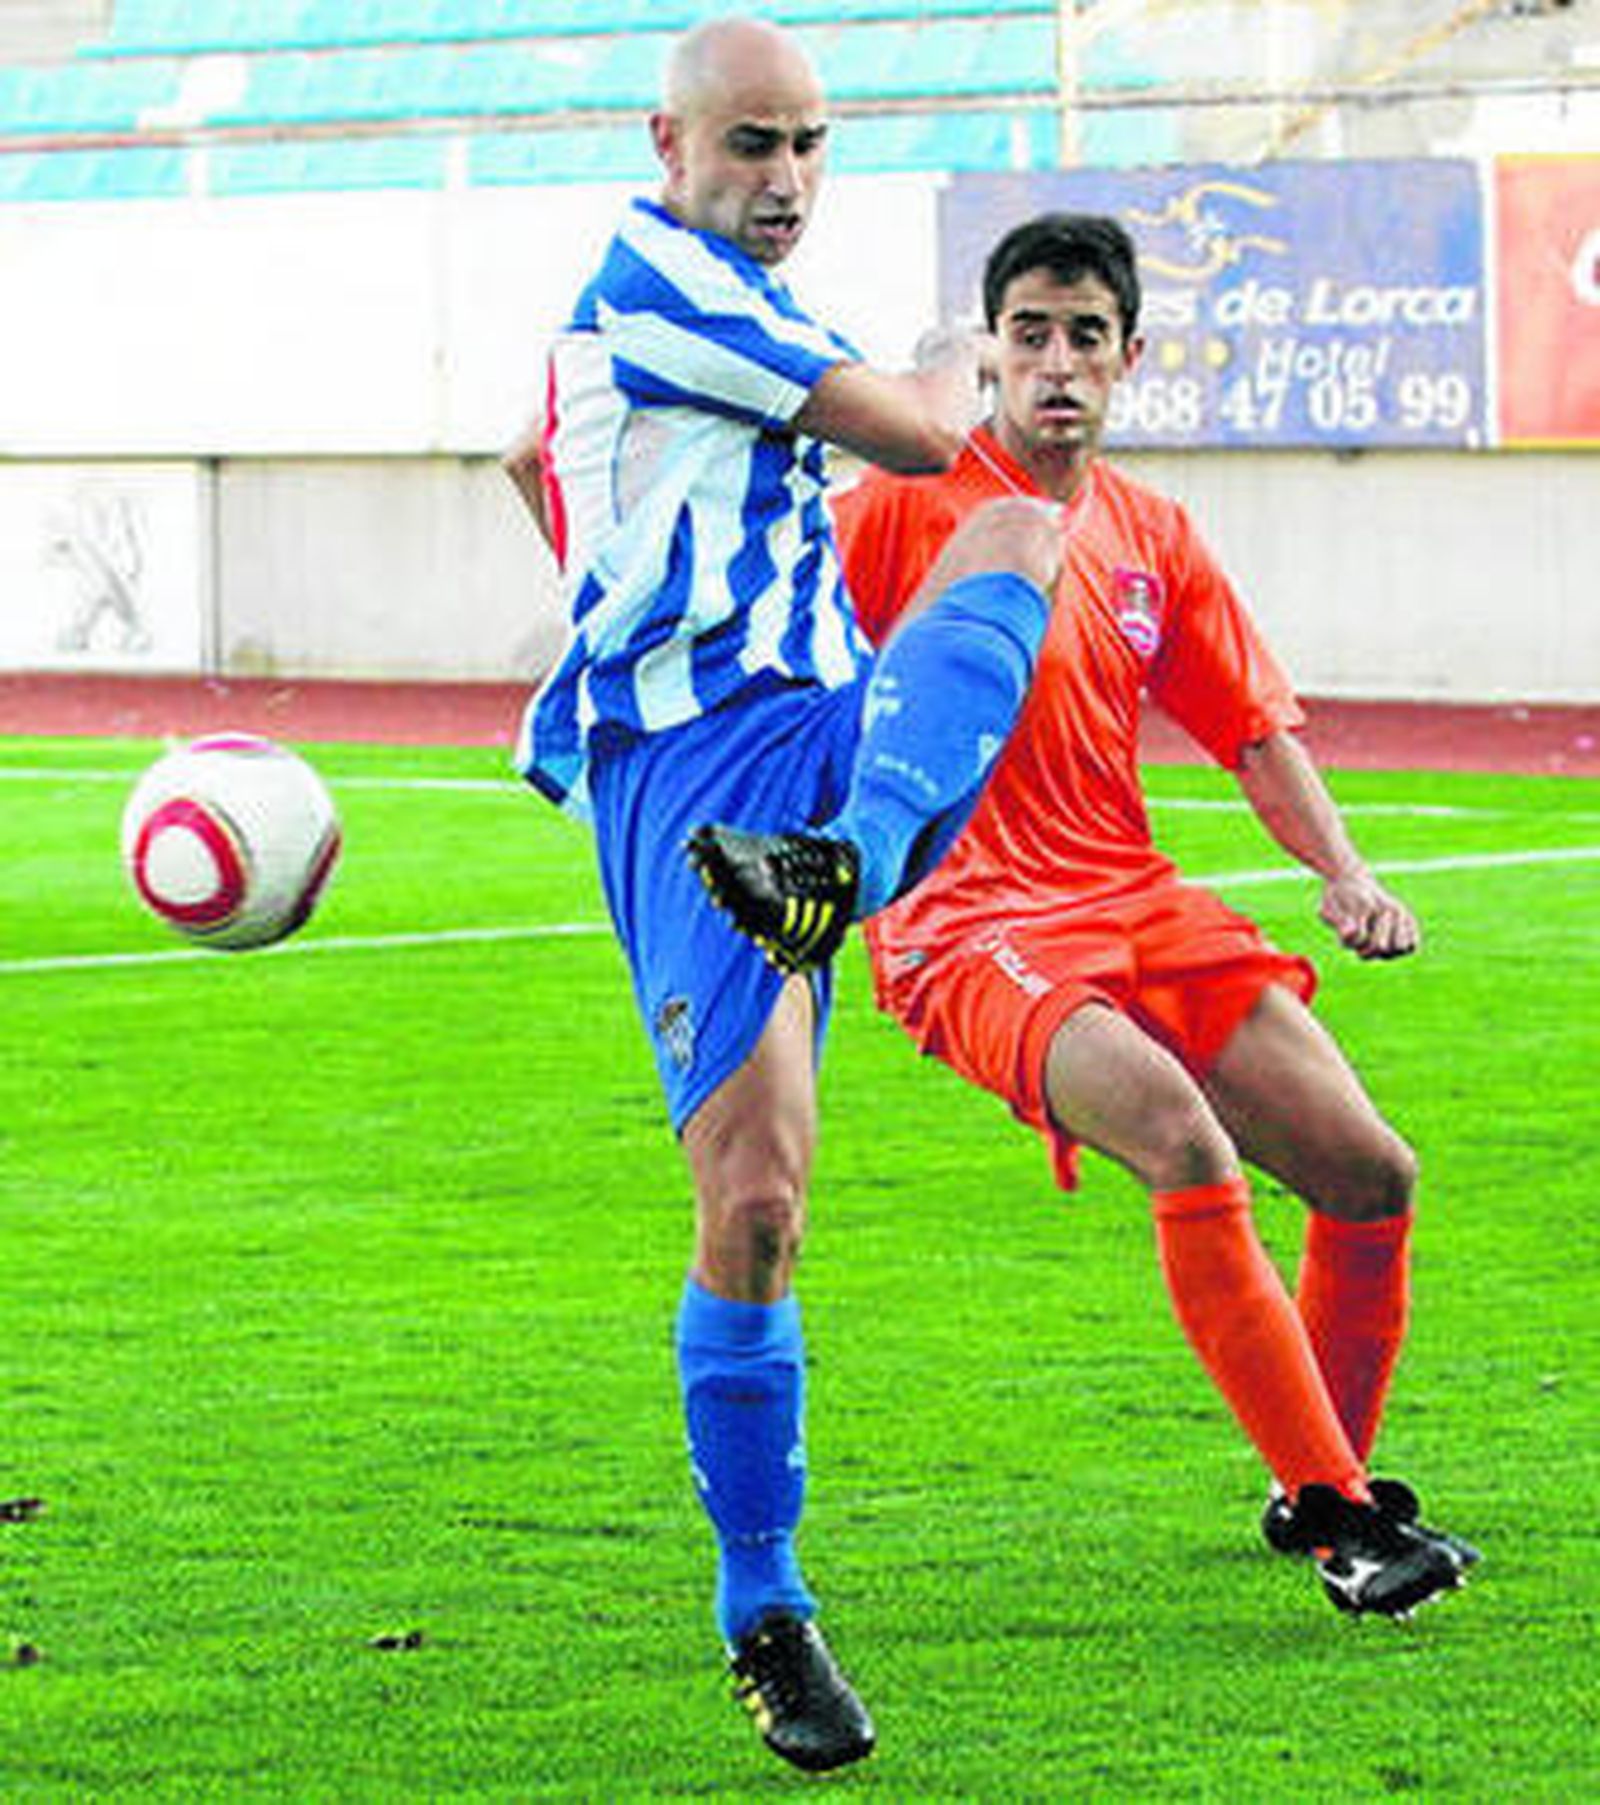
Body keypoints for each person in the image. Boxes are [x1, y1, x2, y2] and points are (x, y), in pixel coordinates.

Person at [504, 17, 1061, 1774]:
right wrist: (966, 356)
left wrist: (615, 554)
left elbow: (532, 462)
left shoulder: (698, 305)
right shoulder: (663, 280)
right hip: (691, 779)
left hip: (823, 734)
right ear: (666, 142)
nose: (789, 181)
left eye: (812, 145)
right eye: (754, 145)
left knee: (1023, 534)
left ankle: (856, 870)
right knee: (756, 1201)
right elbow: (911, 434)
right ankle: (764, 1603)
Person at [830, 212, 1480, 1622]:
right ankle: (1338, 1515)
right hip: (966, 920)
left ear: (1130, 356)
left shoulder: (1148, 533)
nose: (1056, 362)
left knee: (1372, 1172)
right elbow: (784, 644)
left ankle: (1326, 1472)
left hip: (1126, 894)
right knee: (1182, 1134)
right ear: (991, 350)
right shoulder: (903, 503)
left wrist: (1346, 870)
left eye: (1084, 336)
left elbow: (1251, 727)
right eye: (1029, 334)